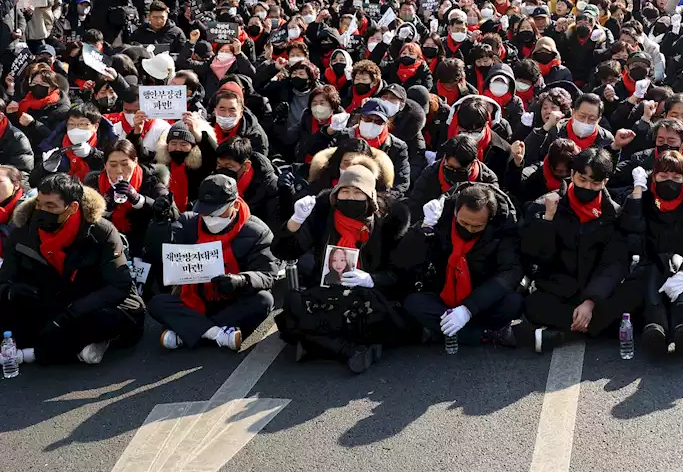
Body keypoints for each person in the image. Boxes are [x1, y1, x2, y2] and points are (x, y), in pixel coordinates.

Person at [274, 160, 413, 372]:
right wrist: (295, 221)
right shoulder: (322, 215)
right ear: (335, 195)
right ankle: (350, 350)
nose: (350, 198)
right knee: (292, 305)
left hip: (368, 296)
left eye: (358, 193)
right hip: (329, 292)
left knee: (368, 312)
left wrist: (371, 279)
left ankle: (323, 346)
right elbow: (285, 252)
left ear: (371, 198)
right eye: (345, 192)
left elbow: (401, 273)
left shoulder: (390, 222)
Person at [0, 173, 144, 365]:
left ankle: (37, 354)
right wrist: (12, 291)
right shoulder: (21, 232)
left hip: (89, 304)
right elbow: (4, 280)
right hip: (48, 301)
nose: (41, 210)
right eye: (40, 204)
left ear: (72, 208)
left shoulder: (101, 231)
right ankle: (74, 347)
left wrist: (71, 314)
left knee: (116, 319)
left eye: (50, 206)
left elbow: (119, 286)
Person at [517, 147, 641, 353]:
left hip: (597, 291)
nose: (588, 186)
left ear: (605, 183)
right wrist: (548, 221)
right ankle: (593, 326)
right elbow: (535, 256)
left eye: (595, 183)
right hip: (559, 288)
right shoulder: (546, 205)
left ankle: (562, 334)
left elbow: (613, 263)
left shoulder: (613, 214)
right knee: (532, 305)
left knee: (636, 296)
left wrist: (591, 301)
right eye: (582, 180)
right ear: (572, 175)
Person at [146, 174, 277, 351]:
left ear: (235, 205)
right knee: (157, 303)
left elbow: (268, 274)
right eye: (205, 211)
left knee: (264, 300)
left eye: (217, 211)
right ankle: (218, 334)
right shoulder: (189, 222)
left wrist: (241, 280)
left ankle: (188, 332)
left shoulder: (257, 232)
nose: (210, 217)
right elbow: (159, 254)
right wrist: (159, 224)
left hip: (233, 300)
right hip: (195, 298)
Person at [400, 182, 522, 348]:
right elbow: (405, 258)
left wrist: (468, 309)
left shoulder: (504, 227)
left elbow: (510, 272)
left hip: (482, 297)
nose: (470, 230)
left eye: (477, 226)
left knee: (513, 302)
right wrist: (424, 228)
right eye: (464, 223)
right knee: (413, 302)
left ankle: (442, 330)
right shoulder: (441, 217)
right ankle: (483, 335)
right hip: (443, 294)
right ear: (456, 212)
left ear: (490, 219)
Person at [625, 150, 683, 355]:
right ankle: (655, 323)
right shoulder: (643, 198)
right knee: (656, 265)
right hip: (650, 266)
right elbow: (632, 235)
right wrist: (636, 197)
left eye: (676, 177)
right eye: (663, 176)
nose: (670, 181)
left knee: (676, 261)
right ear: (654, 177)